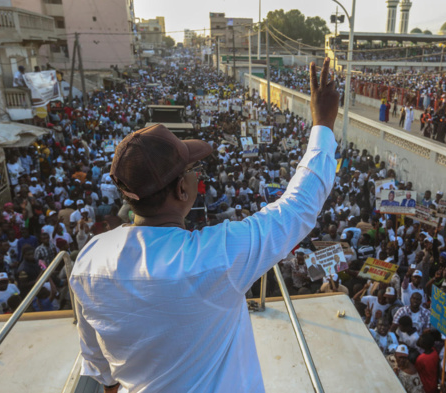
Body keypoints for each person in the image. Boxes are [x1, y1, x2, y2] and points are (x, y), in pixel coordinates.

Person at [69, 58, 340, 392]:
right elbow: (299, 206)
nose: (198, 176)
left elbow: (101, 372)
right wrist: (323, 123)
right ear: (182, 189)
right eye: (192, 170)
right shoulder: (215, 257)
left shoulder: (89, 260)